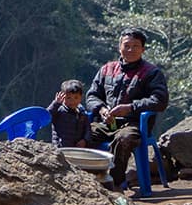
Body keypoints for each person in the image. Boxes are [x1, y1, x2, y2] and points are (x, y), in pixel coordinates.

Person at [85, 28, 168, 193]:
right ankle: (86, 182)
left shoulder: (151, 73)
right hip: (106, 123)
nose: (130, 50)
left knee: (123, 139)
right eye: (127, 45)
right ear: (119, 47)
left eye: (135, 46)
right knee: (81, 134)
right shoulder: (106, 69)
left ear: (143, 49)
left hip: (134, 124)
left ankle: (115, 185)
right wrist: (101, 109)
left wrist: (130, 108)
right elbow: (91, 96)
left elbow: (160, 101)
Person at [48, 79, 94, 149]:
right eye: (69, 98)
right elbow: (47, 116)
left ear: (81, 98)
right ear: (63, 97)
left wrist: (85, 140)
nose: (72, 101)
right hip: (60, 147)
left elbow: (88, 129)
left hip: (77, 148)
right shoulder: (59, 110)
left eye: (76, 97)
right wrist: (55, 103)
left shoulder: (82, 113)